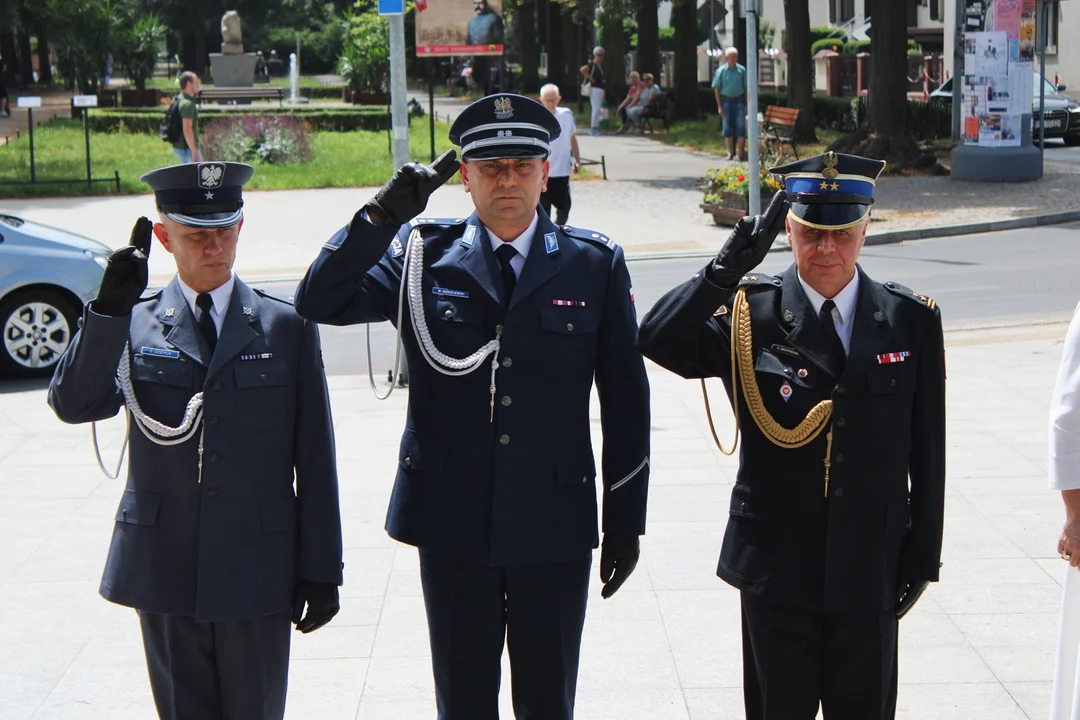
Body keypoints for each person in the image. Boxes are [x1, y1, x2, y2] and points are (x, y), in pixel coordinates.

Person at [294, 93, 651, 720]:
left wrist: (625, 517)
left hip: (554, 522)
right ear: (465, 177)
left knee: (548, 702)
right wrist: (380, 217)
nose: (507, 180)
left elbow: (625, 399)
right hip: (454, 520)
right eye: (491, 167)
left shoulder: (591, 265)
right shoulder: (419, 255)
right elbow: (318, 299)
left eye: (521, 166)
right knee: (462, 701)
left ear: (547, 172)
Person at [637, 151, 946, 720]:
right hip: (776, 568)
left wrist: (921, 558)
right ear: (788, 229)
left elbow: (928, 456)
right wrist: (721, 272)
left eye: (842, 233)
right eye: (810, 232)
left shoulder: (910, 319)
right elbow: (656, 338)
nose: (826, 249)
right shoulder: (750, 310)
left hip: (868, 564)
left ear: (865, 227)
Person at [46, 161, 344, 720]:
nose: (214, 247)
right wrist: (106, 313)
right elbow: (74, 404)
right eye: (195, 234)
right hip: (166, 564)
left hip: (258, 565)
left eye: (224, 230)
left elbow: (316, 458)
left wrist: (322, 567)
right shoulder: (133, 323)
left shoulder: (286, 326)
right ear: (163, 237)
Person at [538, 83, 581, 225]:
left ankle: (558, 232)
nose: (550, 103)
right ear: (541, 100)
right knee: (543, 212)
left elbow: (572, 138)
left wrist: (577, 160)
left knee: (565, 208)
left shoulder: (567, 115)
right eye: (547, 99)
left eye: (553, 99)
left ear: (559, 99)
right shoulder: (537, 118)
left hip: (562, 171)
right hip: (543, 173)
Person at [712, 47, 748, 161]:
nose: (733, 58)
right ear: (727, 58)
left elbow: (746, 88)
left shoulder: (742, 70)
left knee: (741, 126)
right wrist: (719, 106)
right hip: (726, 100)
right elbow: (716, 89)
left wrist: (746, 104)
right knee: (727, 127)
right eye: (731, 56)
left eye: (735, 56)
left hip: (739, 100)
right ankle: (730, 152)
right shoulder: (721, 71)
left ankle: (740, 152)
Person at [173, 71, 201, 164]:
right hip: (187, 151)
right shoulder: (188, 104)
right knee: (194, 178)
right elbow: (187, 129)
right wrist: (194, 152)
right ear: (189, 84)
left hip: (180, 148)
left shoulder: (178, 99)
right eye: (196, 83)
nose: (198, 86)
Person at [580, 46, 606, 135]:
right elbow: (582, 70)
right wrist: (590, 78)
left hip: (600, 88)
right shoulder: (592, 65)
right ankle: (593, 128)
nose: (601, 57)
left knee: (598, 108)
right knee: (596, 108)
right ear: (595, 55)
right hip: (595, 88)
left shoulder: (599, 66)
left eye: (602, 55)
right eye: (599, 55)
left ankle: (596, 126)